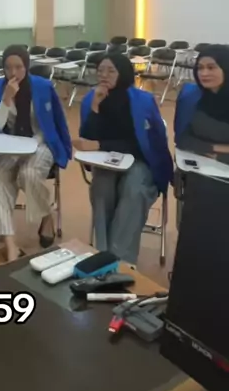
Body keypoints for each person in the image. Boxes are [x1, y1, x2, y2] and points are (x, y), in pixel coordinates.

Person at [74, 53, 173, 265]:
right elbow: (87, 139)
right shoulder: (91, 99)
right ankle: (103, 253)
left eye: (111, 71)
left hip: (140, 160)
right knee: (101, 188)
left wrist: (101, 145)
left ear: (123, 73)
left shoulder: (143, 101)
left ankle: (121, 260)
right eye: (100, 70)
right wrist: (95, 106)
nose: (104, 75)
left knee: (133, 189)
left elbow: (148, 144)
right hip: (106, 161)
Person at [0, 45, 71, 262]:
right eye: (8, 68)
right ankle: (11, 246)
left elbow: (57, 121)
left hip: (40, 143)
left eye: (18, 67)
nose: (13, 72)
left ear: (27, 66)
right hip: (10, 145)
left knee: (28, 174)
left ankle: (47, 217)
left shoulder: (43, 87)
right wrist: (6, 100)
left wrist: (63, 148)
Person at [175, 44, 229, 164]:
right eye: (200, 68)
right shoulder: (190, 96)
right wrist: (216, 150)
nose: (204, 73)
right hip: (198, 162)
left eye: (211, 67)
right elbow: (182, 140)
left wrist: (214, 154)